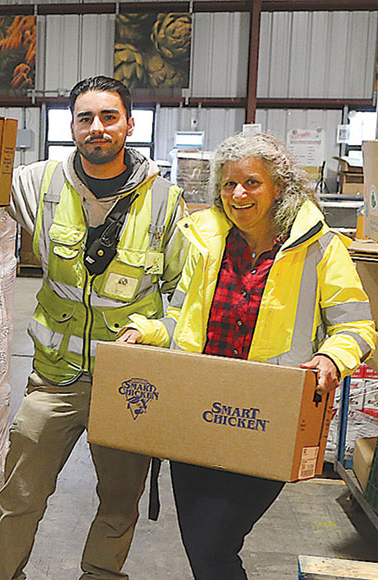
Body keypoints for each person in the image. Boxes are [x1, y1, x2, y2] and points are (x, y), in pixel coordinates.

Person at [116, 131, 376, 580]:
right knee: (203, 547)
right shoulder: (206, 242)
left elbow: (355, 325)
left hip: (263, 418)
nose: (238, 194)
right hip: (195, 415)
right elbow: (183, 319)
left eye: (252, 182)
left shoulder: (318, 247)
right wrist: (146, 330)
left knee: (214, 543)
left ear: (280, 187)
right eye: (228, 184)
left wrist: (333, 358)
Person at [0, 75, 188, 580]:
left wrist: (154, 332)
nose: (97, 128)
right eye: (85, 118)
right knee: (19, 492)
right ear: (72, 127)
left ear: (129, 124)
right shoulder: (38, 184)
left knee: (118, 503)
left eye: (108, 117)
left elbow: (187, 299)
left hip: (127, 382)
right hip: (53, 378)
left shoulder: (165, 201)